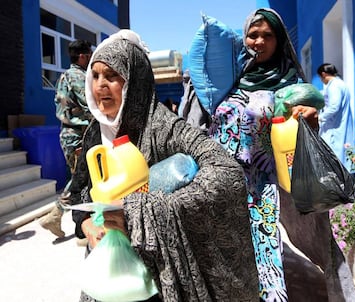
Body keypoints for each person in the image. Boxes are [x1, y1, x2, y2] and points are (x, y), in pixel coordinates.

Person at [69, 29, 259, 302]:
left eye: (112, 76)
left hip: (155, 277)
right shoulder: (94, 135)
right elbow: (78, 193)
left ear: (134, 82)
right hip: (109, 269)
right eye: (95, 75)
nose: (100, 85)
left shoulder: (166, 128)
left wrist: (141, 214)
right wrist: (87, 225)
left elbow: (225, 172)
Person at [208, 9, 355, 301]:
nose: (259, 42)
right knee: (252, 263)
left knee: (310, 254)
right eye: (253, 35)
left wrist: (310, 119)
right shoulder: (229, 81)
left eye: (268, 35)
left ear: (279, 41)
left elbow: (306, 130)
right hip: (239, 190)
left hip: (287, 185)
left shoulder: (292, 85)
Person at [39, 39, 93, 238]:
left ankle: (58, 216)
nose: (90, 59)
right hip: (78, 136)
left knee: (79, 179)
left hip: (69, 135)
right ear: (82, 56)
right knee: (82, 181)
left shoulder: (64, 77)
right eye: (88, 55)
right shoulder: (79, 77)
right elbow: (90, 108)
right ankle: (67, 221)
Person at [317, 63, 354, 171]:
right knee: (342, 154)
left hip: (334, 127)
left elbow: (333, 107)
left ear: (323, 74)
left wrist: (320, 117)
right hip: (340, 124)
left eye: (320, 78)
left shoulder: (334, 86)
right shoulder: (341, 84)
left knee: (333, 154)